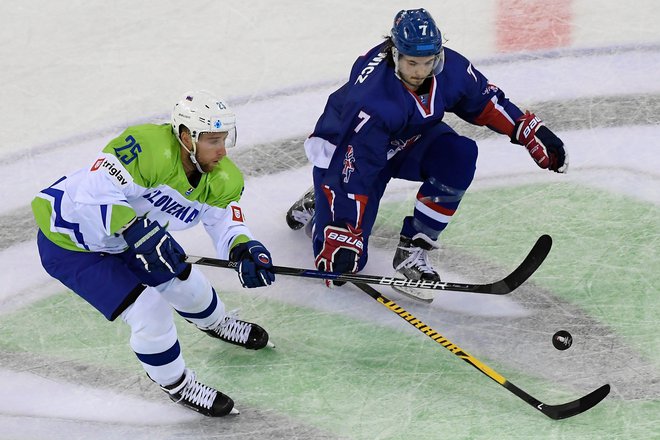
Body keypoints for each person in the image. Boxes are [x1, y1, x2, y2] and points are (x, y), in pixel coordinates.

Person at [286, 8, 567, 302]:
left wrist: (527, 131)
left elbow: (485, 102)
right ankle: (322, 197)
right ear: (394, 54)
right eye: (412, 63)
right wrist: (343, 230)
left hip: (408, 137)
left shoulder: (450, 69)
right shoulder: (373, 101)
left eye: (427, 62)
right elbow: (353, 172)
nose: (420, 71)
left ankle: (414, 247)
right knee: (342, 266)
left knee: (458, 155)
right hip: (346, 154)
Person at [32, 90, 277, 417]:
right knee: (149, 309)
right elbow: (94, 190)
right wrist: (133, 227)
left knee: (186, 281)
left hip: (129, 237)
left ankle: (217, 323)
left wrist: (243, 246)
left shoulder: (222, 177)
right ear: (186, 136)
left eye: (224, 139)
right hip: (71, 242)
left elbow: (223, 220)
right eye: (212, 141)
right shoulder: (147, 146)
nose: (222, 150)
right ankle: (177, 383)